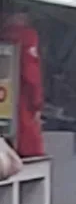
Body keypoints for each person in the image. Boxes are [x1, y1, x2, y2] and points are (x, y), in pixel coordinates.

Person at [1, 12, 44, 158]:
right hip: (22, 106)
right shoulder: (27, 37)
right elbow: (31, 75)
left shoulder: (4, 36)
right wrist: (37, 104)